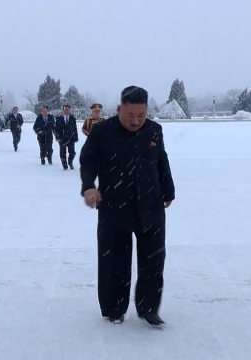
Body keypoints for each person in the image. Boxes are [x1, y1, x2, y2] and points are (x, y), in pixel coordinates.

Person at [79, 86, 175, 327]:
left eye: (141, 115)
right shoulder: (102, 131)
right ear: (119, 109)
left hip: (150, 205)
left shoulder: (154, 130)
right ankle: (114, 308)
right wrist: (89, 186)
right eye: (130, 115)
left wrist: (169, 189)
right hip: (114, 205)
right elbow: (88, 159)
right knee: (114, 261)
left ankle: (149, 308)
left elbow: (161, 160)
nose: (136, 121)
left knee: (153, 260)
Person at [55, 105, 79, 170]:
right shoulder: (58, 119)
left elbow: (75, 128)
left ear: (69, 110)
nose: (66, 111)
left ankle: (70, 162)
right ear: (63, 110)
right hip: (62, 138)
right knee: (62, 153)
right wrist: (58, 137)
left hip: (71, 138)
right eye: (65, 109)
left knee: (72, 152)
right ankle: (64, 165)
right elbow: (56, 129)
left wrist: (76, 137)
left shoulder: (72, 119)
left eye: (67, 109)